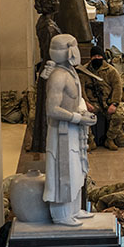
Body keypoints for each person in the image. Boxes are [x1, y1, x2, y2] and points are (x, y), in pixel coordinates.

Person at [43, 34, 96, 226]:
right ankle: (61, 214)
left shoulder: (70, 72)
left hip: (75, 130)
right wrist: (77, 117)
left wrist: (83, 112)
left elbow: (76, 99)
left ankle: (74, 209)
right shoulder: (58, 76)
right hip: (62, 132)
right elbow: (52, 109)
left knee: (77, 170)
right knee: (63, 172)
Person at [82, 46, 122, 150]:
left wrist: (114, 104)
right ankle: (90, 141)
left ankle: (109, 139)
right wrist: (86, 102)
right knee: (83, 117)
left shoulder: (111, 71)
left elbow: (117, 88)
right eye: (94, 56)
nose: (97, 58)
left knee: (119, 116)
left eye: (99, 56)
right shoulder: (84, 71)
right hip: (92, 103)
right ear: (91, 58)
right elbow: (80, 89)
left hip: (107, 102)